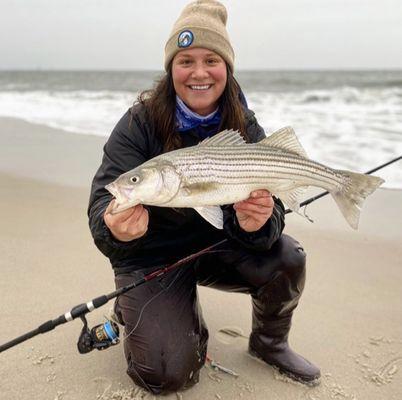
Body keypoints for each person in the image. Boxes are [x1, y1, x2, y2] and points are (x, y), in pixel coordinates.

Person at [88, 0, 320, 394]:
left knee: (287, 257)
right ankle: (147, 310)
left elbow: (273, 217)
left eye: (211, 59)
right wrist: (116, 230)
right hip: (154, 258)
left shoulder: (244, 125)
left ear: (226, 69)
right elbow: (101, 205)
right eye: (185, 61)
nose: (199, 72)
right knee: (165, 374)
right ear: (170, 69)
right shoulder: (137, 124)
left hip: (217, 247)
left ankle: (269, 343)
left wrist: (256, 224)